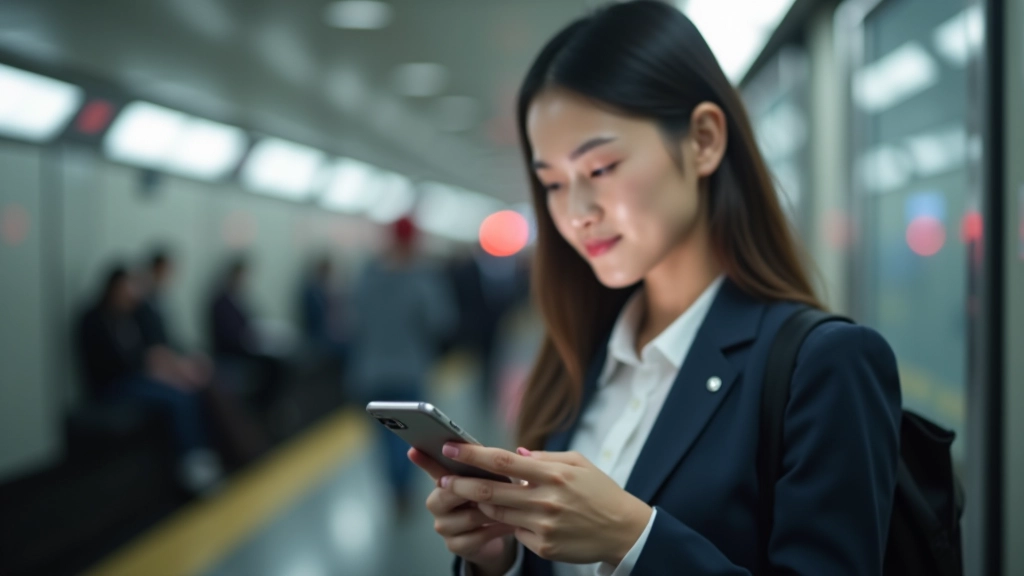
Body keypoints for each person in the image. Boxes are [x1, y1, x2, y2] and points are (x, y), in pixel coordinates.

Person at [410, 2, 902, 575]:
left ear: (703, 140)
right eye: (551, 184)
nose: (576, 213)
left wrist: (633, 539)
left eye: (600, 169)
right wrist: (500, 560)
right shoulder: (582, 356)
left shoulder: (823, 365)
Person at [77, 266, 223, 494]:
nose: (131, 294)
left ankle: (200, 455)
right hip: (114, 385)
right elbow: (109, 364)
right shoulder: (94, 319)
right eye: (127, 287)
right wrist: (151, 370)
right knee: (177, 398)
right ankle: (193, 464)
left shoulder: (128, 316)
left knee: (186, 390)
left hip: (136, 377)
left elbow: (147, 351)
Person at [349, 216, 457, 515]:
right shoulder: (422, 277)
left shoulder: (367, 275)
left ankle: (392, 488)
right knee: (409, 436)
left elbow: (352, 321)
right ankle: (403, 489)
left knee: (382, 437)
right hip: (409, 369)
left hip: (369, 371)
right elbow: (441, 321)